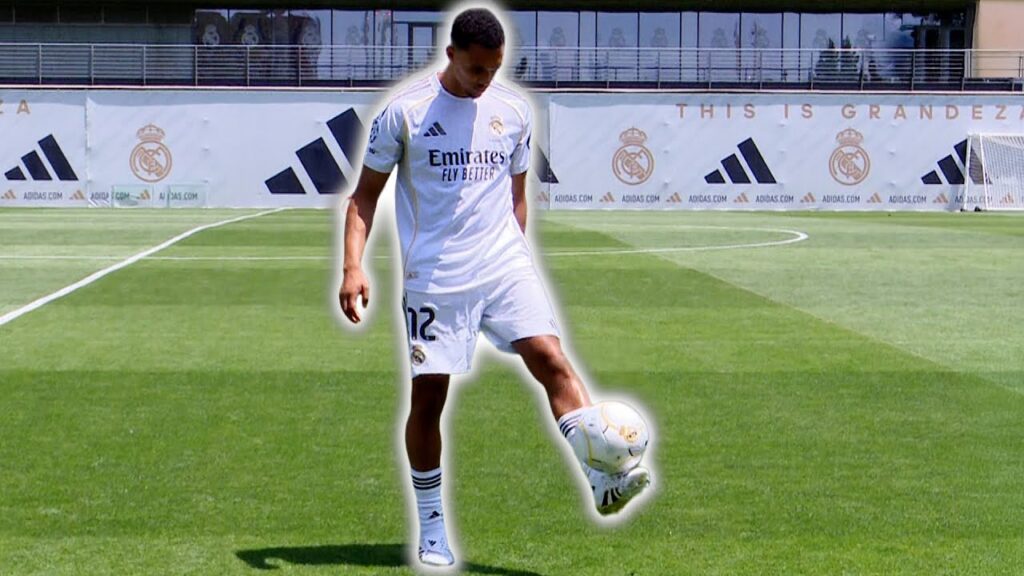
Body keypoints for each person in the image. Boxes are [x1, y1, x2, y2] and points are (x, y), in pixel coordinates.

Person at [338, 6, 652, 569]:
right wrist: (352, 267)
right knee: (429, 397)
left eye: (494, 69)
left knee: (552, 359)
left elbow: (516, 193)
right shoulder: (405, 114)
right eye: (476, 68)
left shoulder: (513, 111)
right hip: (436, 275)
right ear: (452, 54)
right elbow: (364, 196)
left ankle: (601, 479)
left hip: (504, 265)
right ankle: (432, 527)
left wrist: (519, 258)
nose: (484, 80)